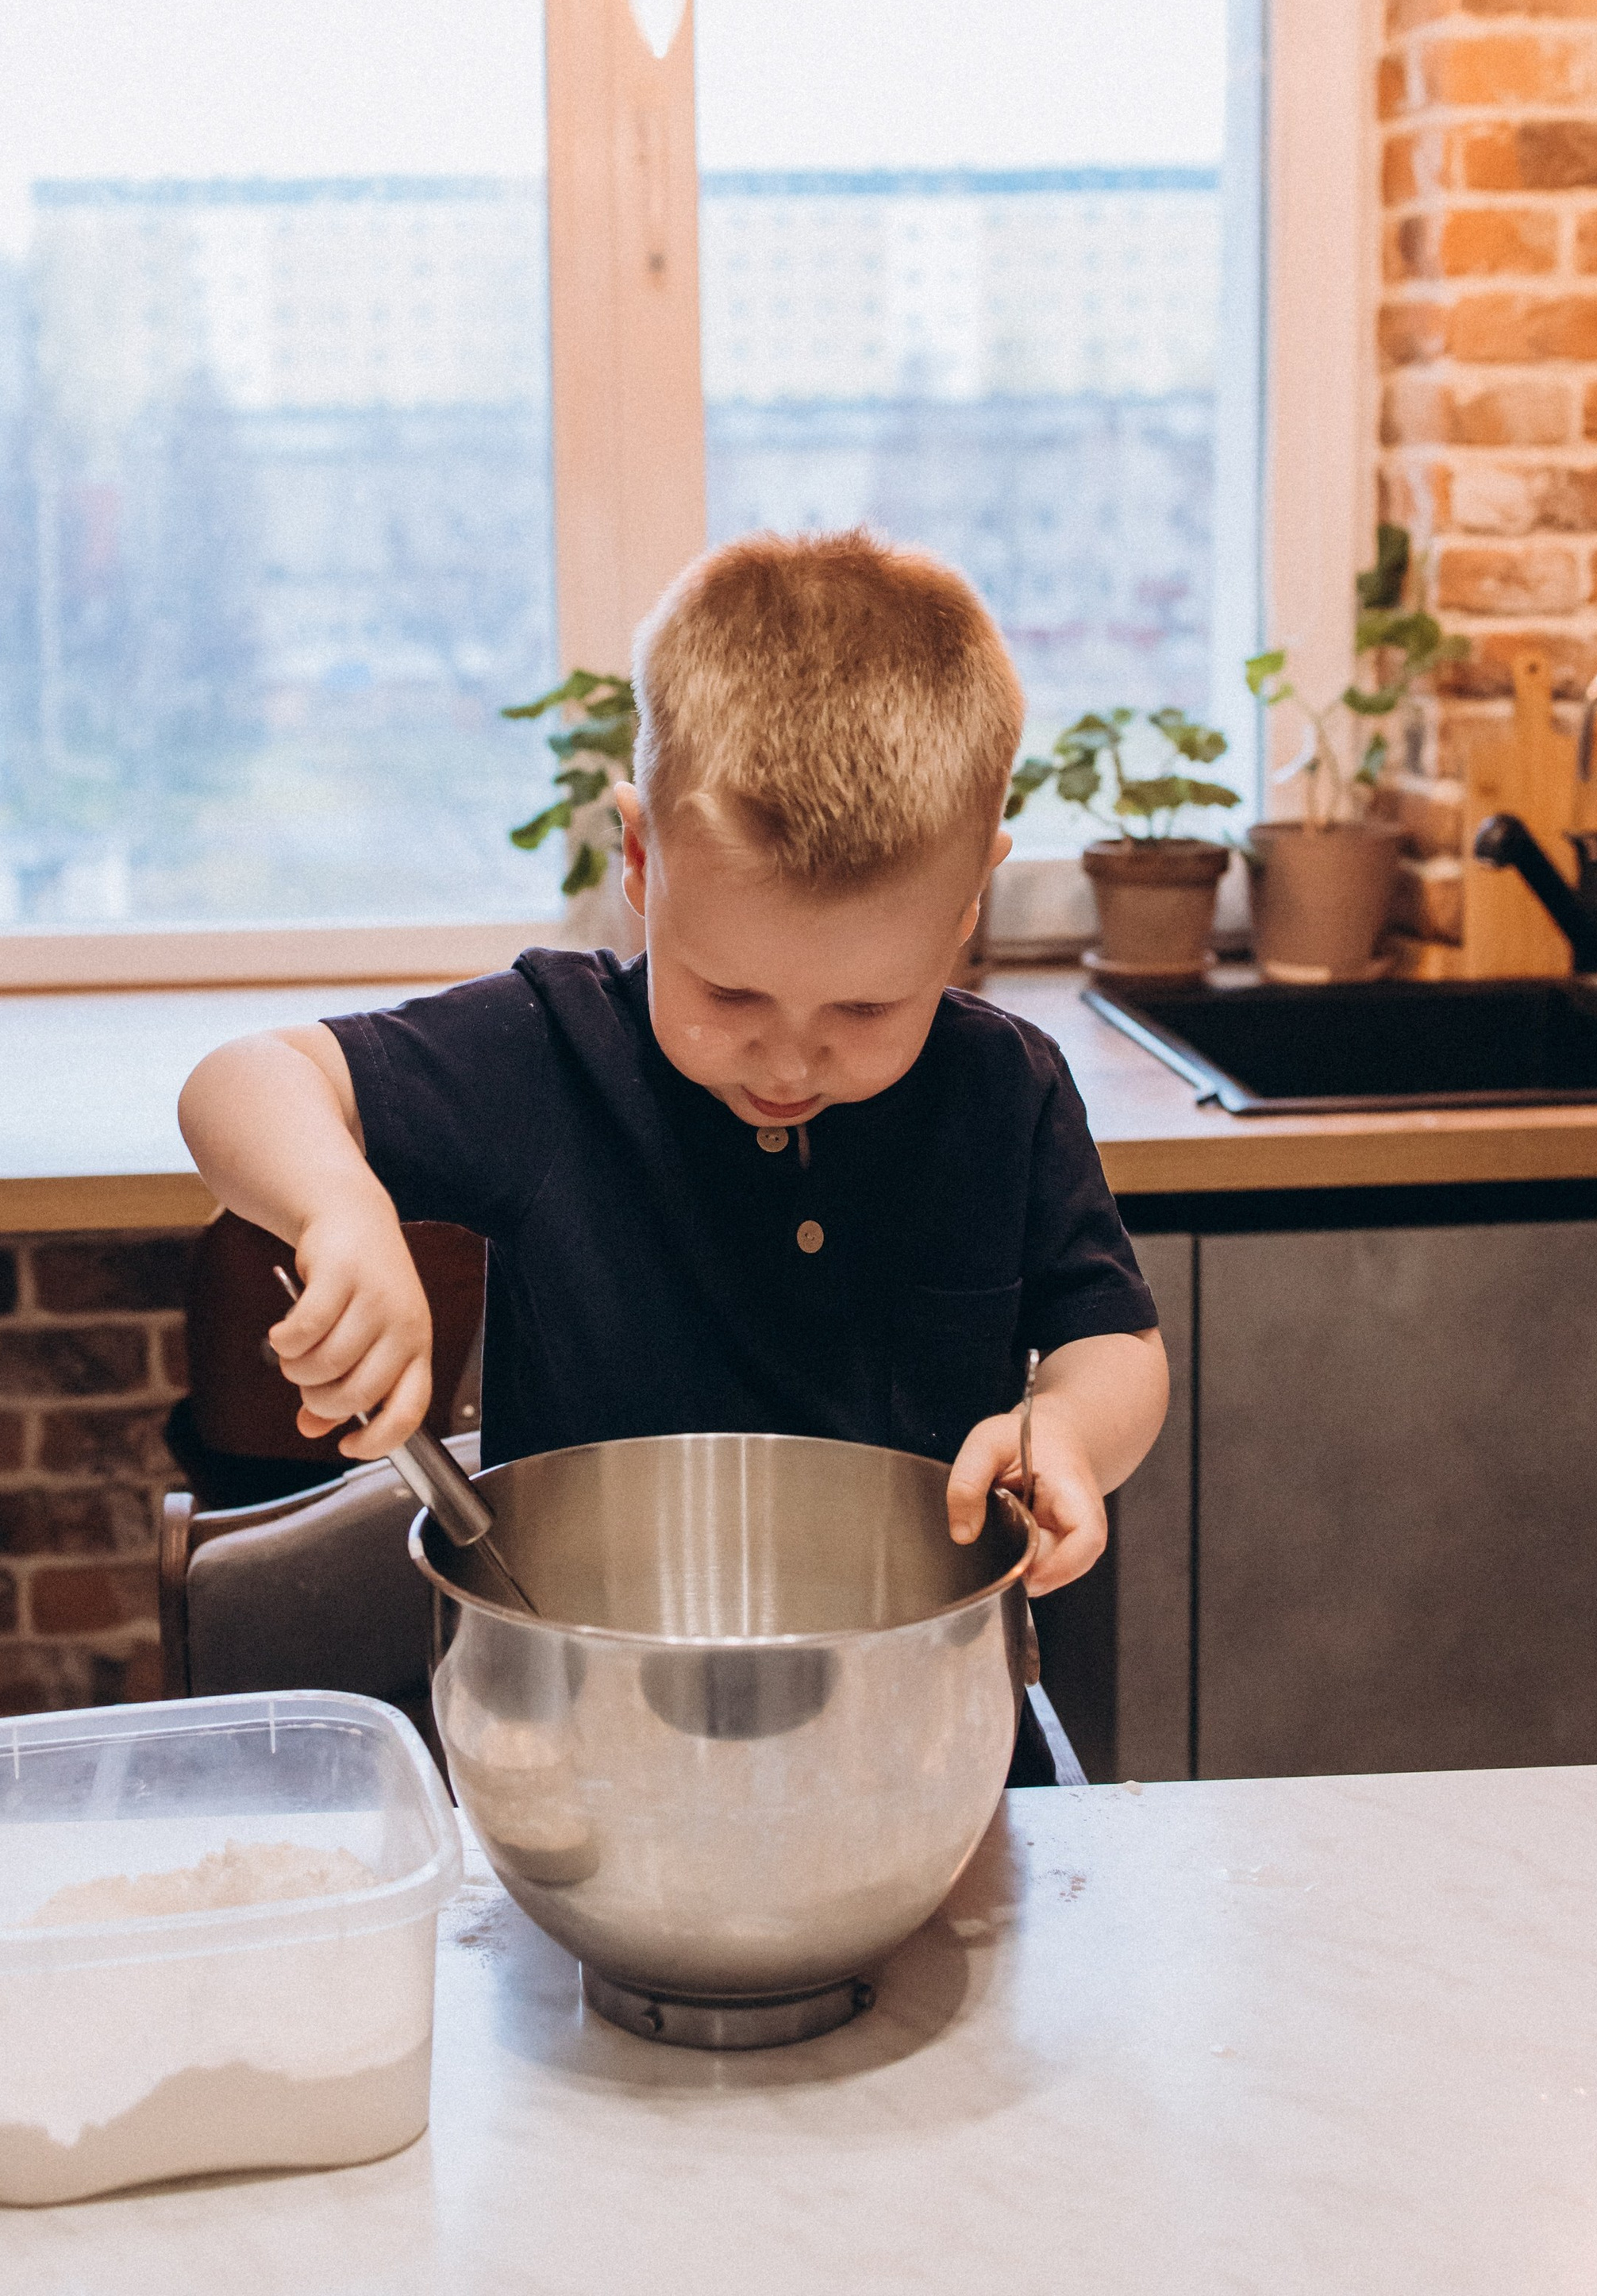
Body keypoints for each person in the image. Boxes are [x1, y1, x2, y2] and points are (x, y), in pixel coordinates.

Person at [178, 527, 1168, 1608]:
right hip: (593, 1711)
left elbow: (1114, 1343)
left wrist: (1064, 1428)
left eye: (867, 1007)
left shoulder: (1004, 1090)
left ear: (973, 895)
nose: (790, 1058)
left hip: (925, 1704)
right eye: (730, 994)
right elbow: (242, 1080)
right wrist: (340, 1210)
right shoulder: (555, 1053)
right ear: (642, 859)